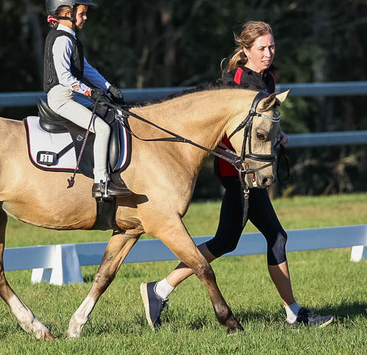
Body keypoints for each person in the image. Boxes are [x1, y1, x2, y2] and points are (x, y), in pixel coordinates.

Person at [140, 21, 334, 329]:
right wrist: (237, 157)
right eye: (262, 48)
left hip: (252, 170)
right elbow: (214, 130)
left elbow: (262, 123)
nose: (268, 53)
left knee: (225, 241)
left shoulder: (268, 78)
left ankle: (160, 289)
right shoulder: (234, 83)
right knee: (276, 236)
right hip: (237, 173)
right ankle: (294, 314)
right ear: (246, 50)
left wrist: (278, 136)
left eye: (272, 46)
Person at [43, 0, 132, 199]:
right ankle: (101, 182)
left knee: (112, 112)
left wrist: (108, 87)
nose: (85, 18)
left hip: (71, 95)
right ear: (67, 13)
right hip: (62, 98)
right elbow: (65, 78)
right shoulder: (62, 40)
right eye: (82, 13)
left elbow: (87, 70)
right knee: (102, 128)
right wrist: (90, 92)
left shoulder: (71, 39)